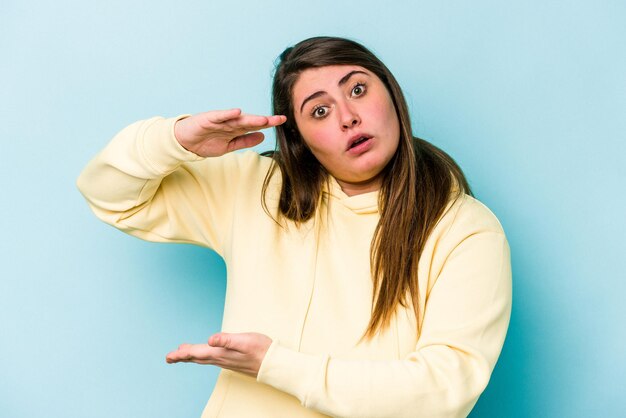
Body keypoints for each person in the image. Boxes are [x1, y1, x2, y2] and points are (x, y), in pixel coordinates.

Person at [77, 36, 512, 418]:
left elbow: (444, 391)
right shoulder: (254, 189)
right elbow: (109, 194)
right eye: (319, 111)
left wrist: (275, 364)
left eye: (358, 89)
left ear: (392, 95)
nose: (347, 117)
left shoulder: (465, 228)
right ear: (300, 139)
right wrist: (176, 141)